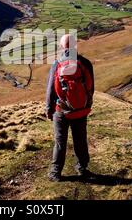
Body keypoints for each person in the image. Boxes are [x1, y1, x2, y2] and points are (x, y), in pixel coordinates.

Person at [46, 34, 94, 181]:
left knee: (60, 142)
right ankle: (82, 168)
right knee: (80, 140)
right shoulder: (85, 63)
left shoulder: (57, 64)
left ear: (62, 46)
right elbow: (91, 88)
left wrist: (49, 109)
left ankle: (55, 173)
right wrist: (86, 105)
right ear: (75, 46)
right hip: (80, 110)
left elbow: (50, 90)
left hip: (61, 111)